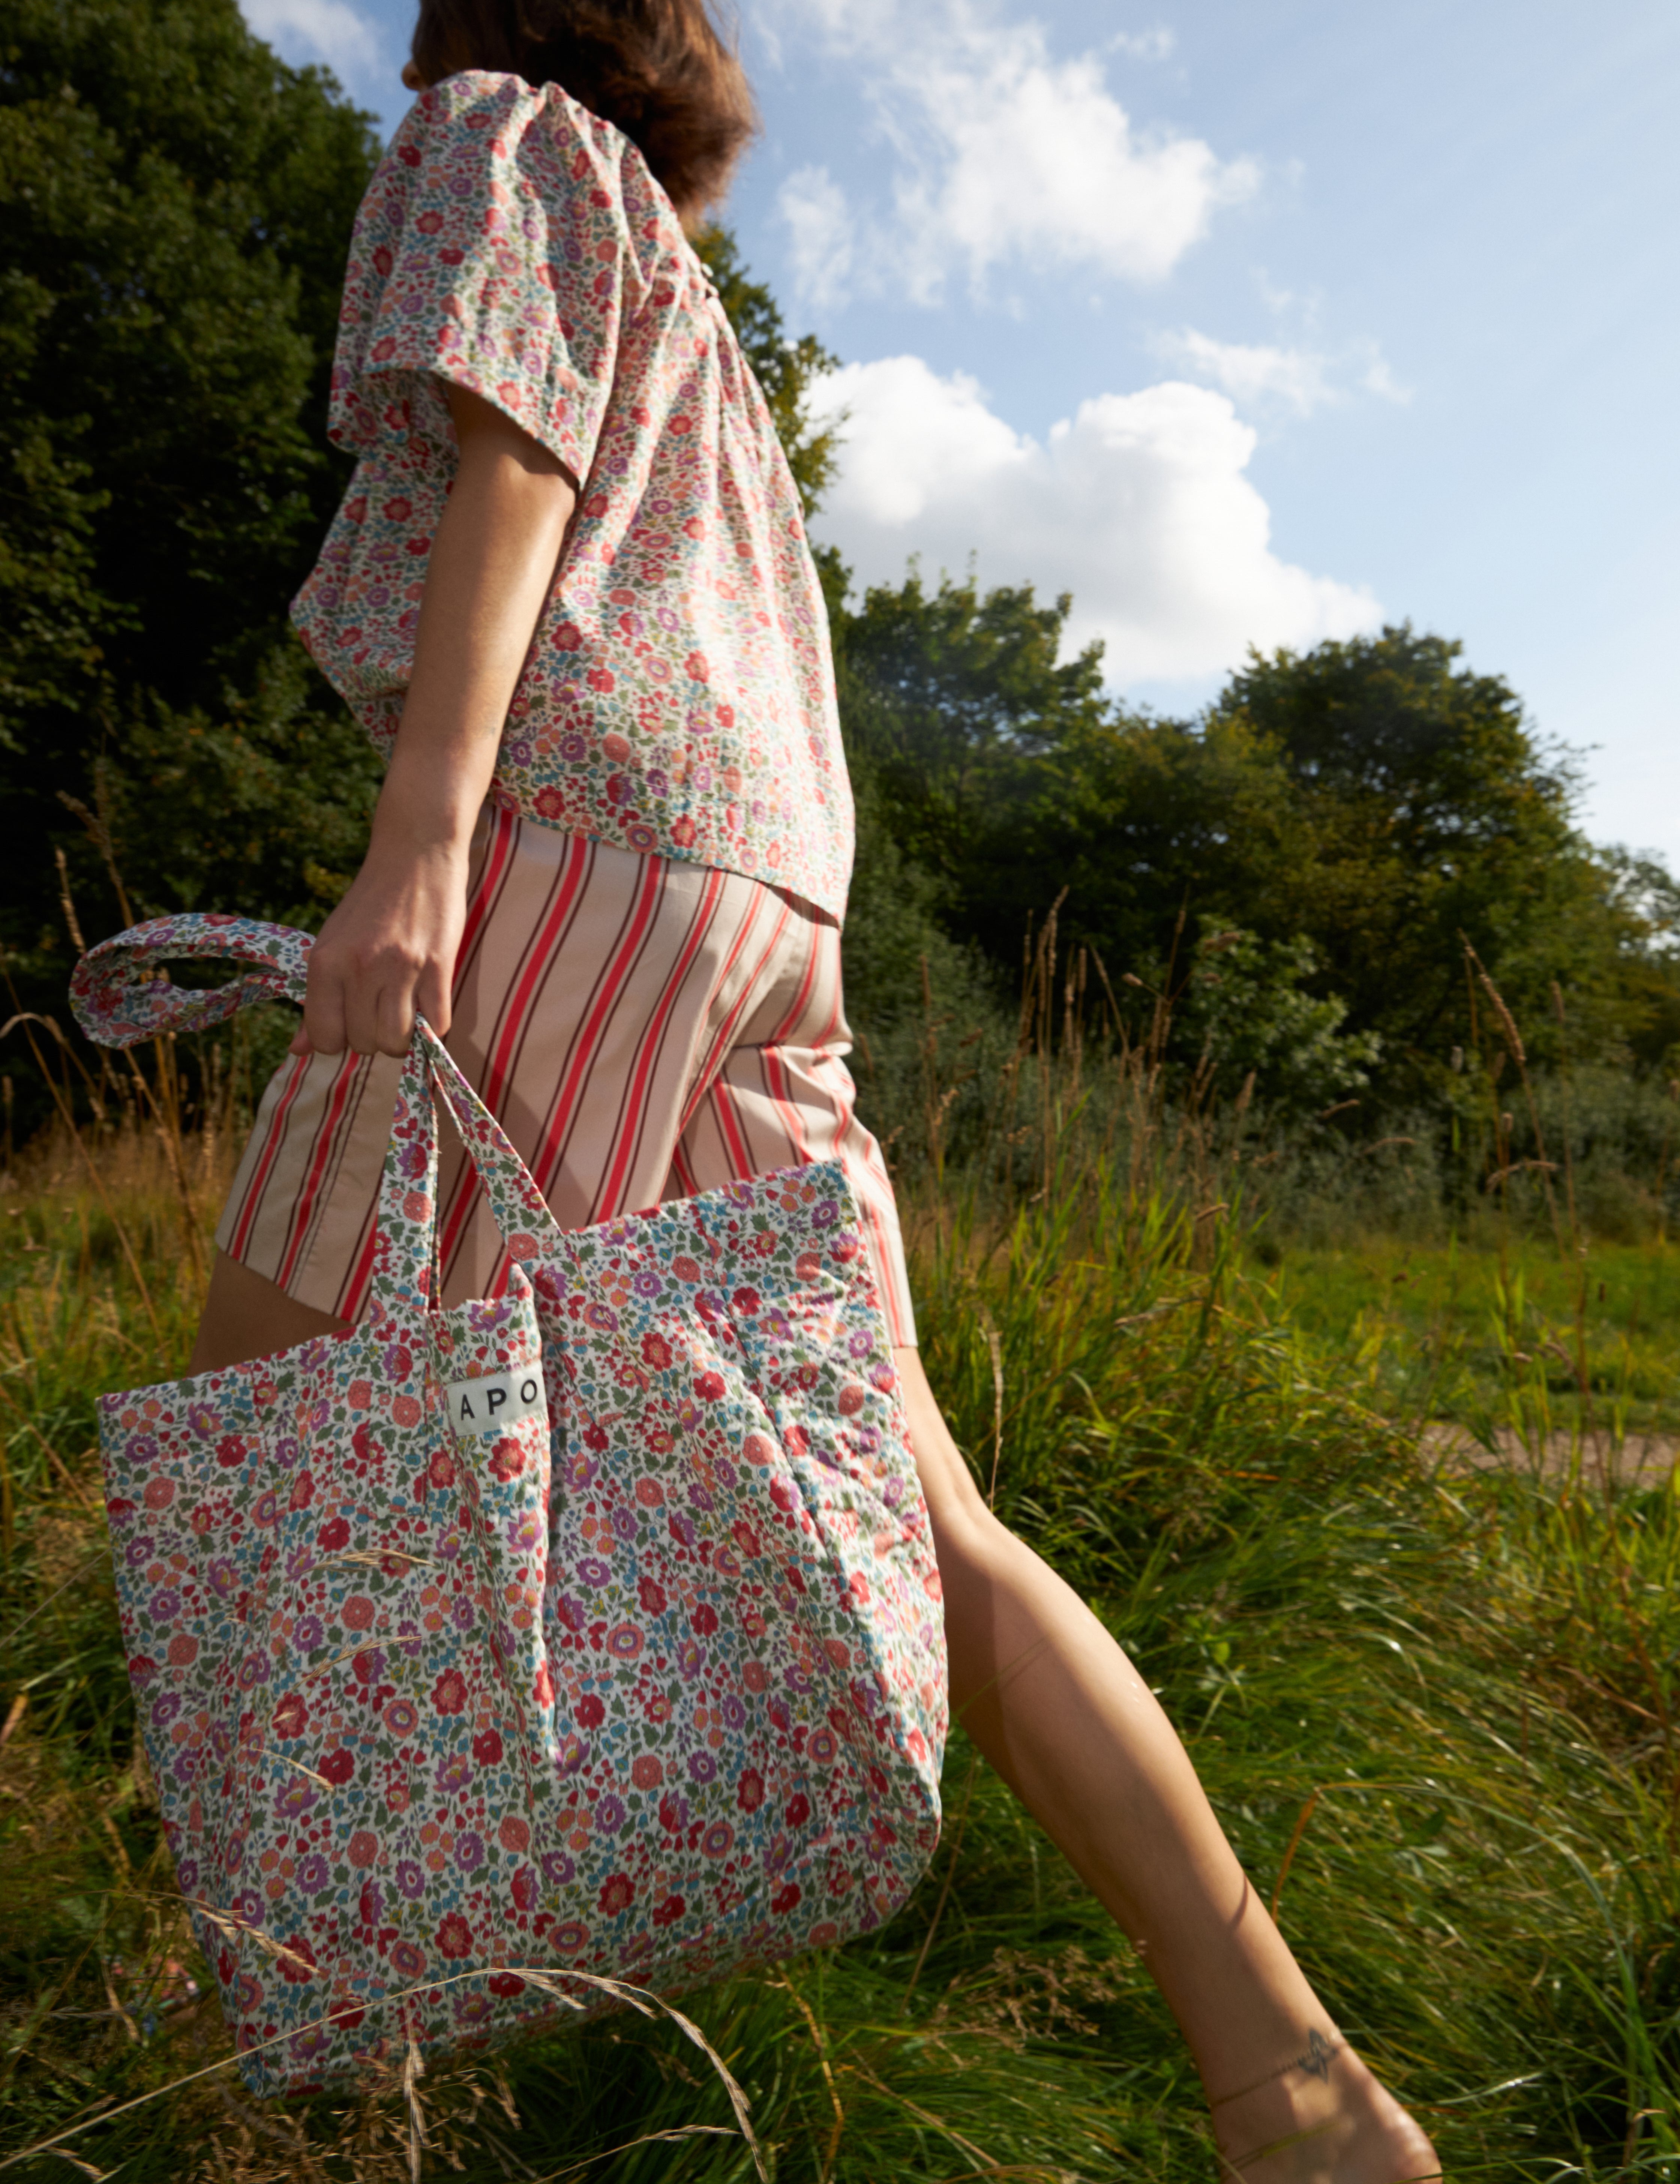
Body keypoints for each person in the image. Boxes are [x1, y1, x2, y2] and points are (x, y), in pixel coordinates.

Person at [190, 4, 1442, 2176]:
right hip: (766, 901)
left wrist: (419, 847)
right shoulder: (697, 302)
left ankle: (294, 2045)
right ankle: (1298, 2086)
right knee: (923, 1507)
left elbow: (511, 455)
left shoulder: (500, 133)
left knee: (268, 1414)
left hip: (578, 845)